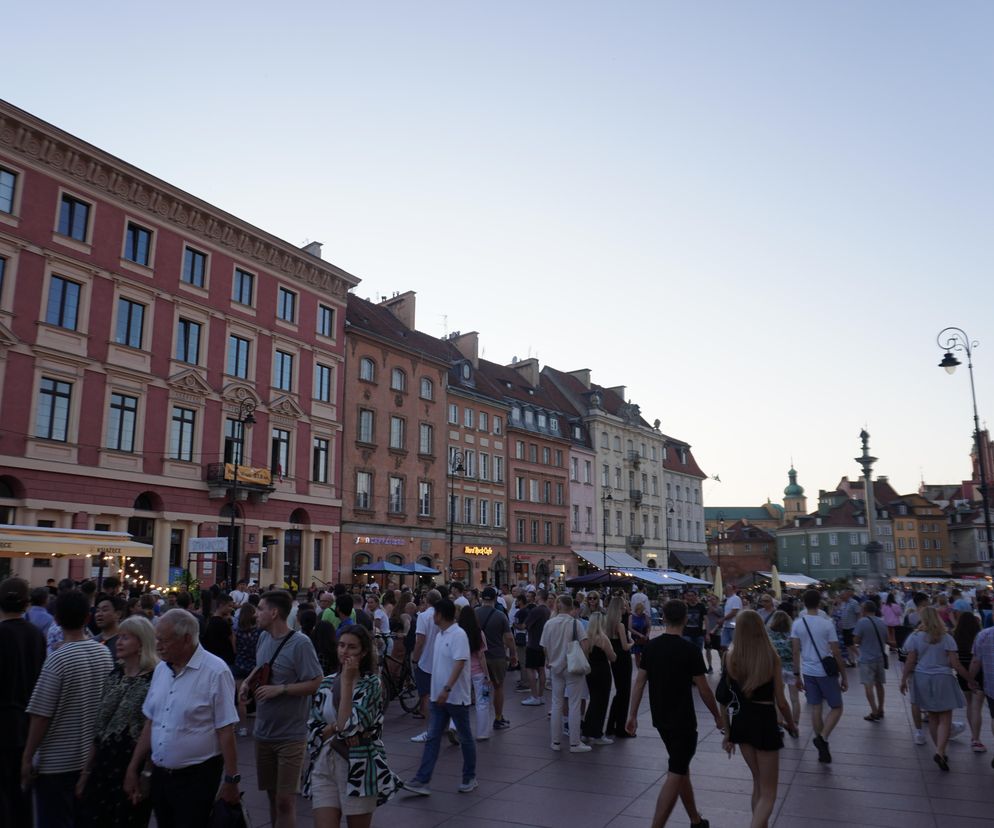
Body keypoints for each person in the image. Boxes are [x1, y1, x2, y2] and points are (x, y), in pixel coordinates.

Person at [124, 609, 240, 827]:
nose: (157, 645)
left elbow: (226, 729)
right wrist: (133, 766)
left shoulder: (215, 671)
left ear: (186, 639)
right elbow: (152, 721)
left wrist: (232, 779)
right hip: (161, 775)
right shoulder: (161, 669)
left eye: (163, 640)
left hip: (197, 777)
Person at [21, 589, 114, 828]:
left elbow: (41, 715)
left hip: (56, 761)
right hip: (90, 756)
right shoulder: (104, 653)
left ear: (57, 620)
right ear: (87, 618)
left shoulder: (58, 659)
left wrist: (28, 756)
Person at [626, 600, 721, 828]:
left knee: (680, 767)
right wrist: (718, 716)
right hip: (683, 720)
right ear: (686, 619)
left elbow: (639, 683)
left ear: (664, 618)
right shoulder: (689, 650)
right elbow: (705, 689)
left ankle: (695, 820)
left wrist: (632, 715)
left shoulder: (651, 647)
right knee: (676, 771)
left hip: (660, 718)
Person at [240, 590, 323, 828]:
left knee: (285, 800)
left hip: (291, 734)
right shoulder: (264, 638)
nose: (256, 614)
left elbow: (317, 682)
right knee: (271, 795)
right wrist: (248, 682)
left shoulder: (300, 644)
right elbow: (261, 667)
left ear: (274, 612)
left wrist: (281, 690)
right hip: (264, 730)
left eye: (261, 609)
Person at [303, 625, 401, 827]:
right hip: (325, 763)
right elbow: (313, 728)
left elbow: (348, 726)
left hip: (358, 766)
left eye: (351, 647)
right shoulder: (327, 682)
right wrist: (333, 728)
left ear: (364, 652)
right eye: (341, 645)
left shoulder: (372, 684)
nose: (344, 651)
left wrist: (347, 682)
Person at [76, 616, 157, 828]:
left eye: (125, 638)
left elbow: (153, 728)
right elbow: (99, 727)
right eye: (119, 637)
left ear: (141, 643)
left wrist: (143, 773)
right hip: (103, 764)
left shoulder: (155, 679)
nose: (119, 642)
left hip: (131, 765)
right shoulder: (115, 674)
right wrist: (86, 771)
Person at [720, 610, 797, 828]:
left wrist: (727, 732)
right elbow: (781, 702)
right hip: (764, 720)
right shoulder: (771, 657)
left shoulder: (730, 656)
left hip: (742, 721)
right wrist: (791, 724)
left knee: (758, 782)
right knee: (769, 793)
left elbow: (725, 699)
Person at [403, 599, 478, 795]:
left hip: (455, 697)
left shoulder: (458, 634)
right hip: (438, 698)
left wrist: (447, 688)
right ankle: (422, 780)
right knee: (433, 738)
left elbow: (460, 662)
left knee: (465, 737)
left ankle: (469, 777)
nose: (431, 615)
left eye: (434, 612)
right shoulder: (440, 635)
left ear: (440, 615)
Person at [900, 606, 974, 771]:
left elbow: (910, 661)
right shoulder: (947, 637)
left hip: (922, 677)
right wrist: (970, 679)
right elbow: (955, 664)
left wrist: (904, 679)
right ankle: (940, 751)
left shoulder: (915, 636)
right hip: (943, 678)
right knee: (945, 718)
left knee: (933, 717)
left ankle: (939, 750)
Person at [0, 577, 46, 828]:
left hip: (4, 720)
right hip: (29, 720)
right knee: (23, 786)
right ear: (27, 603)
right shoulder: (36, 635)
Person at [791, 589, 847, 764]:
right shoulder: (827, 623)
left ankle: (823, 746)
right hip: (825, 671)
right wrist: (843, 674)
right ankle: (822, 738)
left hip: (808, 670)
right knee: (836, 707)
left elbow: (795, 651)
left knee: (816, 707)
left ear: (803, 603)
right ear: (819, 603)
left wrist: (796, 674)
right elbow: (836, 651)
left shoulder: (798, 624)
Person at [540, 594, 591, 753]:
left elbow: (544, 646)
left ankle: (555, 742)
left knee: (556, 704)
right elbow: (585, 645)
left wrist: (549, 660)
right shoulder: (576, 623)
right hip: (573, 668)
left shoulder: (549, 624)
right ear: (571, 607)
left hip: (555, 667)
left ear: (557, 606)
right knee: (574, 704)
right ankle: (574, 743)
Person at [475, 586, 516, 730]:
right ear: (495, 599)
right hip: (497, 656)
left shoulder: (474, 613)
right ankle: (498, 718)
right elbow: (509, 638)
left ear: (481, 598)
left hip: (478, 657)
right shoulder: (500, 616)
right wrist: (513, 655)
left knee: (480, 689)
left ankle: (482, 719)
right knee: (498, 687)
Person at [951, 605, 985, 752]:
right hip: (978, 674)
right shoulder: (980, 636)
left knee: (970, 704)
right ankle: (976, 739)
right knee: (977, 706)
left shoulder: (954, 636)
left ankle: (974, 736)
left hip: (962, 673)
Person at [410, 589, 443, 740]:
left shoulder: (423, 617)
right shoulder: (444, 615)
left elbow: (420, 640)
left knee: (427, 696)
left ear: (426, 600)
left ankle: (431, 730)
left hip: (426, 660)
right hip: (441, 660)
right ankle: (445, 726)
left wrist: (415, 659)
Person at [581, 611, 617, 744]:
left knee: (593, 702)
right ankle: (597, 734)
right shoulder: (603, 638)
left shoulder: (586, 637)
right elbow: (612, 657)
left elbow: (585, 656)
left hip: (590, 671)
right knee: (601, 703)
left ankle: (587, 732)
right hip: (602, 672)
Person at [459, 605, 493, 741]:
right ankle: (482, 732)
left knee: (460, 701)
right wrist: (487, 675)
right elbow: (481, 656)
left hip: (462, 671)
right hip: (478, 672)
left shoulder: (458, 632)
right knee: (482, 701)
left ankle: (454, 727)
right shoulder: (478, 632)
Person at [852, 600, 888, 722]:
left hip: (867, 659)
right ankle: (881, 709)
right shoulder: (882, 622)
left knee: (869, 686)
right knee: (879, 685)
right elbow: (886, 639)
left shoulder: (862, 622)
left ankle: (874, 711)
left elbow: (856, 640)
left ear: (865, 610)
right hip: (880, 658)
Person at [766, 611, 800, 735]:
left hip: (777, 669)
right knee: (794, 698)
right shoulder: (792, 634)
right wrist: (798, 671)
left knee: (778, 698)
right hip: (791, 668)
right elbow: (797, 652)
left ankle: (779, 723)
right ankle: (795, 724)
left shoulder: (770, 635)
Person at [605, 594, 634, 737]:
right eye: (623, 606)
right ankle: (620, 728)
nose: (625, 608)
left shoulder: (607, 623)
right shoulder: (620, 625)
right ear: (619, 608)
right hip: (623, 658)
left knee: (619, 692)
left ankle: (611, 726)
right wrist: (633, 643)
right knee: (625, 693)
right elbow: (625, 646)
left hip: (614, 659)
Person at [232, 603, 261, 737]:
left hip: (240, 665)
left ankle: (243, 727)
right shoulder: (258, 632)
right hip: (255, 666)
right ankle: (259, 726)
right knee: (258, 697)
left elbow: (234, 649)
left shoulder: (236, 631)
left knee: (241, 698)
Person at [521, 589, 550, 706]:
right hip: (542, 644)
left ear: (539, 597)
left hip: (533, 643)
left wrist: (518, 624)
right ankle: (541, 695)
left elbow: (524, 625)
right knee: (541, 669)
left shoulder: (536, 610)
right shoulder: (547, 610)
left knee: (530, 669)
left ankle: (534, 696)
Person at [720, 585, 743, 651]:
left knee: (736, 646)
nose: (724, 592)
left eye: (724, 591)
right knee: (723, 645)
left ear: (729, 590)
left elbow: (734, 612)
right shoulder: (728, 599)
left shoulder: (735, 598)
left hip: (734, 626)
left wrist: (723, 619)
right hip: (727, 626)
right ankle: (726, 659)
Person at [704, 594, 722, 673]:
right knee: (708, 649)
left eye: (713, 599)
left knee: (720, 650)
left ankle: (722, 666)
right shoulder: (707, 609)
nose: (711, 601)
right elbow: (704, 617)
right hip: (708, 631)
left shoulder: (720, 608)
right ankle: (710, 666)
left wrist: (711, 608)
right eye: (710, 599)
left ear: (717, 600)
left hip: (717, 631)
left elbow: (721, 616)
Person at [631, 599, 651, 669]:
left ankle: (644, 670)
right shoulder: (632, 617)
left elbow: (648, 627)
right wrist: (639, 634)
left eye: (642, 610)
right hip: (636, 638)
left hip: (645, 638)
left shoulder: (645, 616)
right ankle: (639, 670)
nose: (641, 612)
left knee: (645, 655)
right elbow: (630, 628)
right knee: (637, 656)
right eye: (640, 610)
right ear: (637, 609)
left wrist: (647, 634)